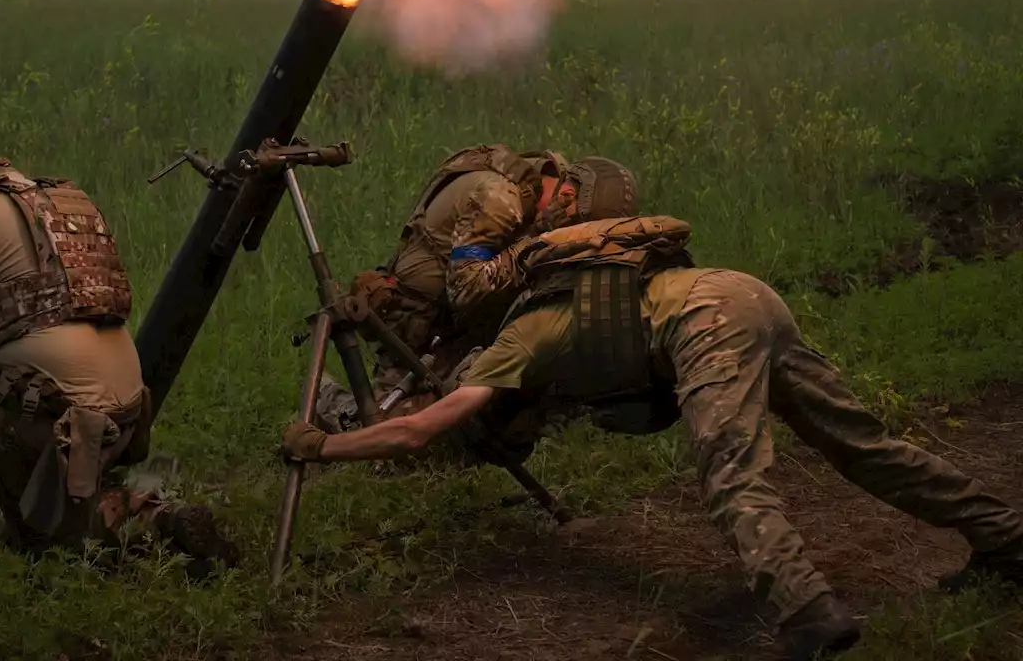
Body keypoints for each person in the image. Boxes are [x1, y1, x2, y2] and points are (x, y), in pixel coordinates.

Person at [282, 211, 1023, 660]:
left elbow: (420, 431)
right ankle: (1003, 534)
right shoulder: (570, 295)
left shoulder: (518, 338)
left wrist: (322, 446)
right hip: (747, 294)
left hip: (707, 327)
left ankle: (808, 610)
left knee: (731, 470)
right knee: (859, 444)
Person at [0, 126, 236, 573]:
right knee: (44, 545)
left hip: (42, 413)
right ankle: (158, 519)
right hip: (120, 410)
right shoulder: (58, 200)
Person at [316, 144, 638, 434]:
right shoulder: (500, 199)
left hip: (461, 317)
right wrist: (538, 243)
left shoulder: (552, 182)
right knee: (387, 436)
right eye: (580, 228)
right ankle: (326, 398)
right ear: (567, 196)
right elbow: (466, 289)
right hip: (420, 325)